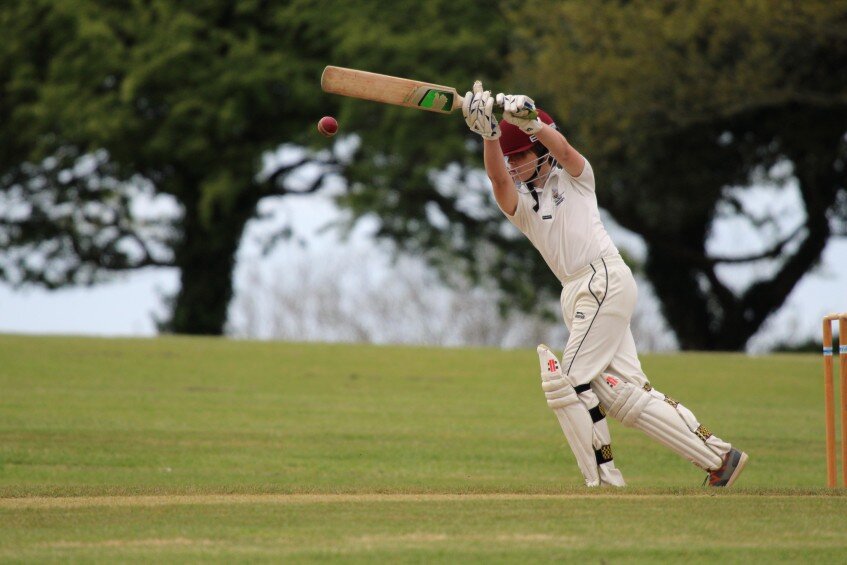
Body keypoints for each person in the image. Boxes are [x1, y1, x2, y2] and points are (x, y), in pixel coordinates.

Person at [461, 82, 747, 487]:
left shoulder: (577, 179)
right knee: (622, 394)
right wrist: (490, 137)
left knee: (568, 382)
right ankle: (720, 457)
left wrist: (532, 124)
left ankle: (601, 479)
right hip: (577, 290)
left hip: (602, 279)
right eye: (510, 159)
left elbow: (565, 151)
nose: (513, 165)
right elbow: (497, 180)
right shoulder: (521, 205)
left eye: (519, 155)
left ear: (539, 151)